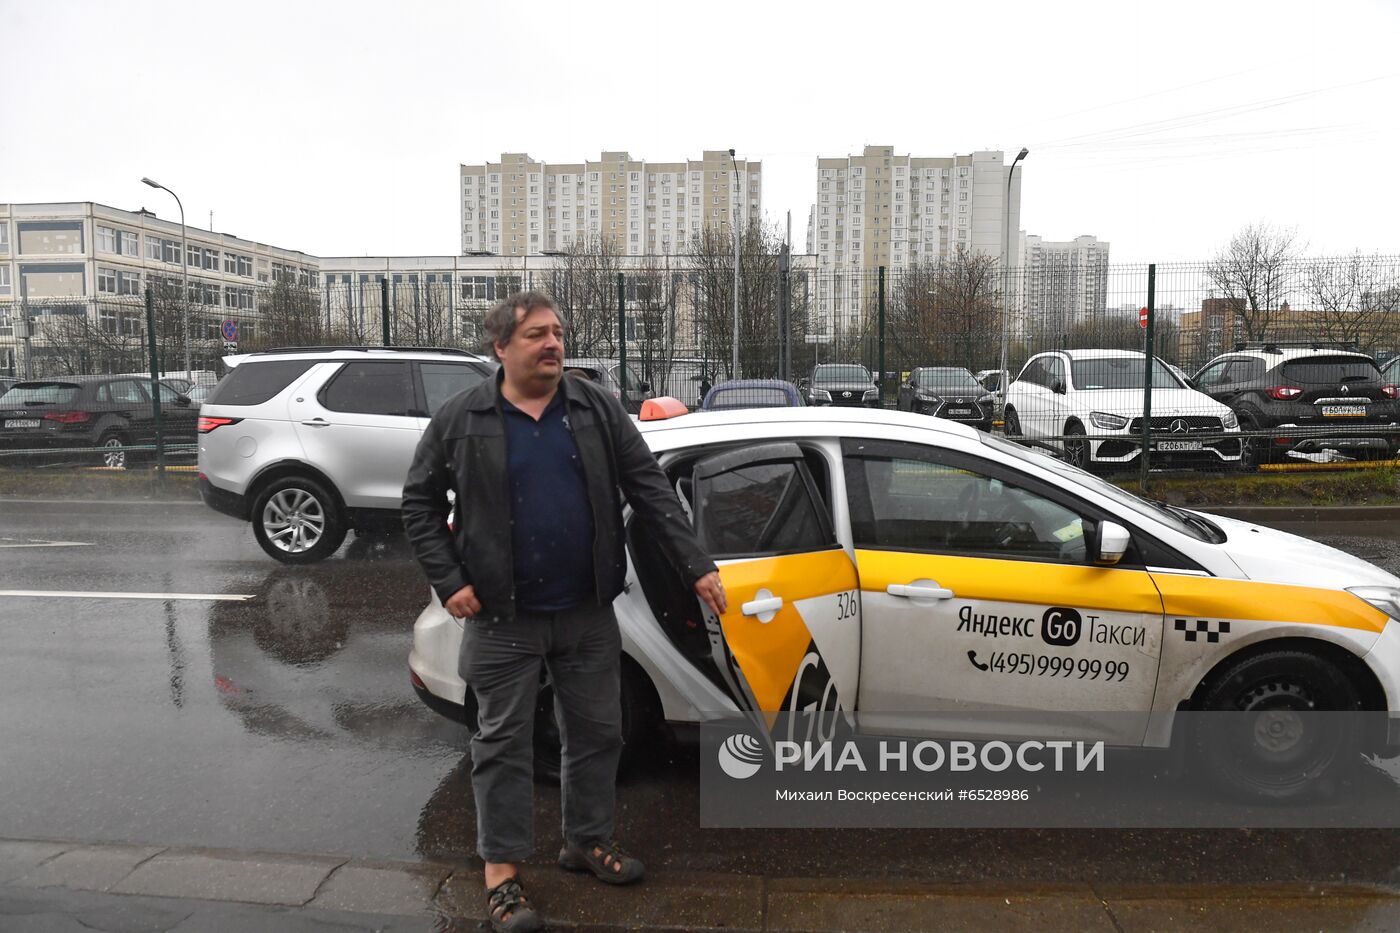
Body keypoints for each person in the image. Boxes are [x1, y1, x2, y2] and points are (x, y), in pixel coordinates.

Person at [402, 290, 727, 933]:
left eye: (556, 332)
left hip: (585, 612)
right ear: (501, 348)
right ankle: (501, 875)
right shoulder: (462, 416)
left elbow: (650, 488)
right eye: (536, 335)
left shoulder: (595, 407)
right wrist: (450, 581)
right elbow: (417, 504)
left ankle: (585, 840)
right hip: (502, 619)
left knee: (599, 734)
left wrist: (696, 565)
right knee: (500, 744)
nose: (553, 344)